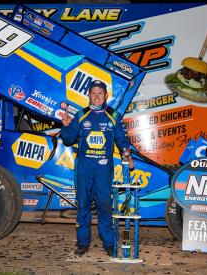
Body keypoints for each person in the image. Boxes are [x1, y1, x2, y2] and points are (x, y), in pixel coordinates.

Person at [61, 80, 133, 257]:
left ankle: (108, 243)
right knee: (83, 206)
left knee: (105, 206)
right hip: (84, 169)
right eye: (93, 93)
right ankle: (82, 243)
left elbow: (122, 140)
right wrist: (66, 125)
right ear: (89, 95)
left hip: (103, 170)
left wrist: (126, 153)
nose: (97, 96)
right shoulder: (81, 115)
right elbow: (69, 140)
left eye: (100, 93)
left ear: (106, 95)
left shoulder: (113, 116)